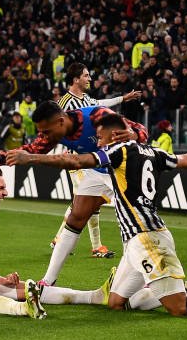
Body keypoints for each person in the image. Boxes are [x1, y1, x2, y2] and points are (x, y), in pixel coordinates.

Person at [4, 113, 187, 319]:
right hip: (136, 241)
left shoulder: (116, 151)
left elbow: (75, 161)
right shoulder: (152, 151)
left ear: (113, 135)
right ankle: (176, 288)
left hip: (147, 239)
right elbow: (184, 161)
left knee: (178, 308)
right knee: (116, 301)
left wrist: (31, 158)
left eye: (100, 137)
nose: (97, 142)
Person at [0, 102, 148, 287]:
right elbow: (33, 150)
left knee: (134, 222)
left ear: (61, 121)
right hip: (97, 170)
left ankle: (148, 274)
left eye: (46, 132)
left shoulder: (97, 116)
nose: (44, 136)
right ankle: (48, 281)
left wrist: (134, 134)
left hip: (123, 170)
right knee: (75, 218)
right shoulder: (54, 130)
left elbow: (141, 130)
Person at [0, 167, 115, 318]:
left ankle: (95, 296)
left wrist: (0, 279)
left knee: (31, 288)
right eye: (1, 188)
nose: (6, 193)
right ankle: (24, 309)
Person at [52, 62, 141, 257]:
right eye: (85, 75)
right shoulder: (64, 103)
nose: (89, 78)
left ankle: (59, 240)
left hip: (92, 157)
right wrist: (61, 151)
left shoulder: (86, 98)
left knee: (82, 201)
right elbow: (55, 128)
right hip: (76, 158)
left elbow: (101, 104)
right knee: (87, 201)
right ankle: (96, 246)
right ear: (75, 79)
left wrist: (123, 98)